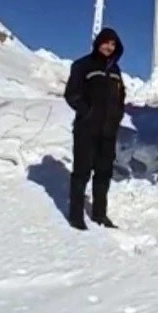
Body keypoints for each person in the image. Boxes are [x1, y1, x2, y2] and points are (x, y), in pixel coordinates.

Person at [63, 27, 126, 230]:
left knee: (103, 173)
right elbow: (72, 94)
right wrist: (87, 112)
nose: (109, 47)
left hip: (108, 132)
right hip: (86, 130)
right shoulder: (83, 65)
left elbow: (120, 97)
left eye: (113, 44)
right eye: (106, 42)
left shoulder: (116, 71)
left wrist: (117, 116)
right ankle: (75, 216)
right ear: (98, 43)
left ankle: (100, 215)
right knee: (81, 173)